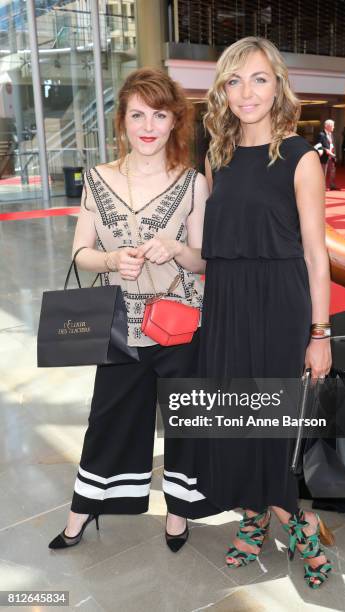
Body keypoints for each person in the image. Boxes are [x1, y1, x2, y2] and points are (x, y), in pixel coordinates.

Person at [48, 68, 219, 552]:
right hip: (119, 324)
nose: (148, 126)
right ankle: (83, 510)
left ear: (174, 121)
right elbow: (80, 252)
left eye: (159, 115)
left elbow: (203, 258)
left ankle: (179, 512)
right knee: (108, 418)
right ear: (122, 120)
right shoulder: (97, 179)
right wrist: (109, 259)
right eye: (138, 114)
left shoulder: (192, 183)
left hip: (181, 322)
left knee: (184, 421)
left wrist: (175, 248)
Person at [198, 37, 335, 588]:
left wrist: (319, 332)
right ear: (223, 92)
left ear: (277, 84)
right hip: (227, 302)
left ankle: (298, 522)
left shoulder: (301, 157)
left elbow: (316, 254)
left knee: (276, 424)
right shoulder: (216, 156)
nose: (246, 92)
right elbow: (213, 243)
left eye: (258, 78)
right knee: (239, 419)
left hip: (281, 303)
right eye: (234, 81)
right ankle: (257, 516)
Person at [316, 119, 340, 190]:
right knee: (323, 172)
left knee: (333, 171)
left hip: (332, 156)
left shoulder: (331, 134)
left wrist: (334, 154)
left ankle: (332, 185)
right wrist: (326, 150)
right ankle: (322, 187)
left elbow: (332, 145)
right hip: (324, 157)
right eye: (332, 126)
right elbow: (318, 145)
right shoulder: (321, 134)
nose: (334, 127)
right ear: (327, 126)